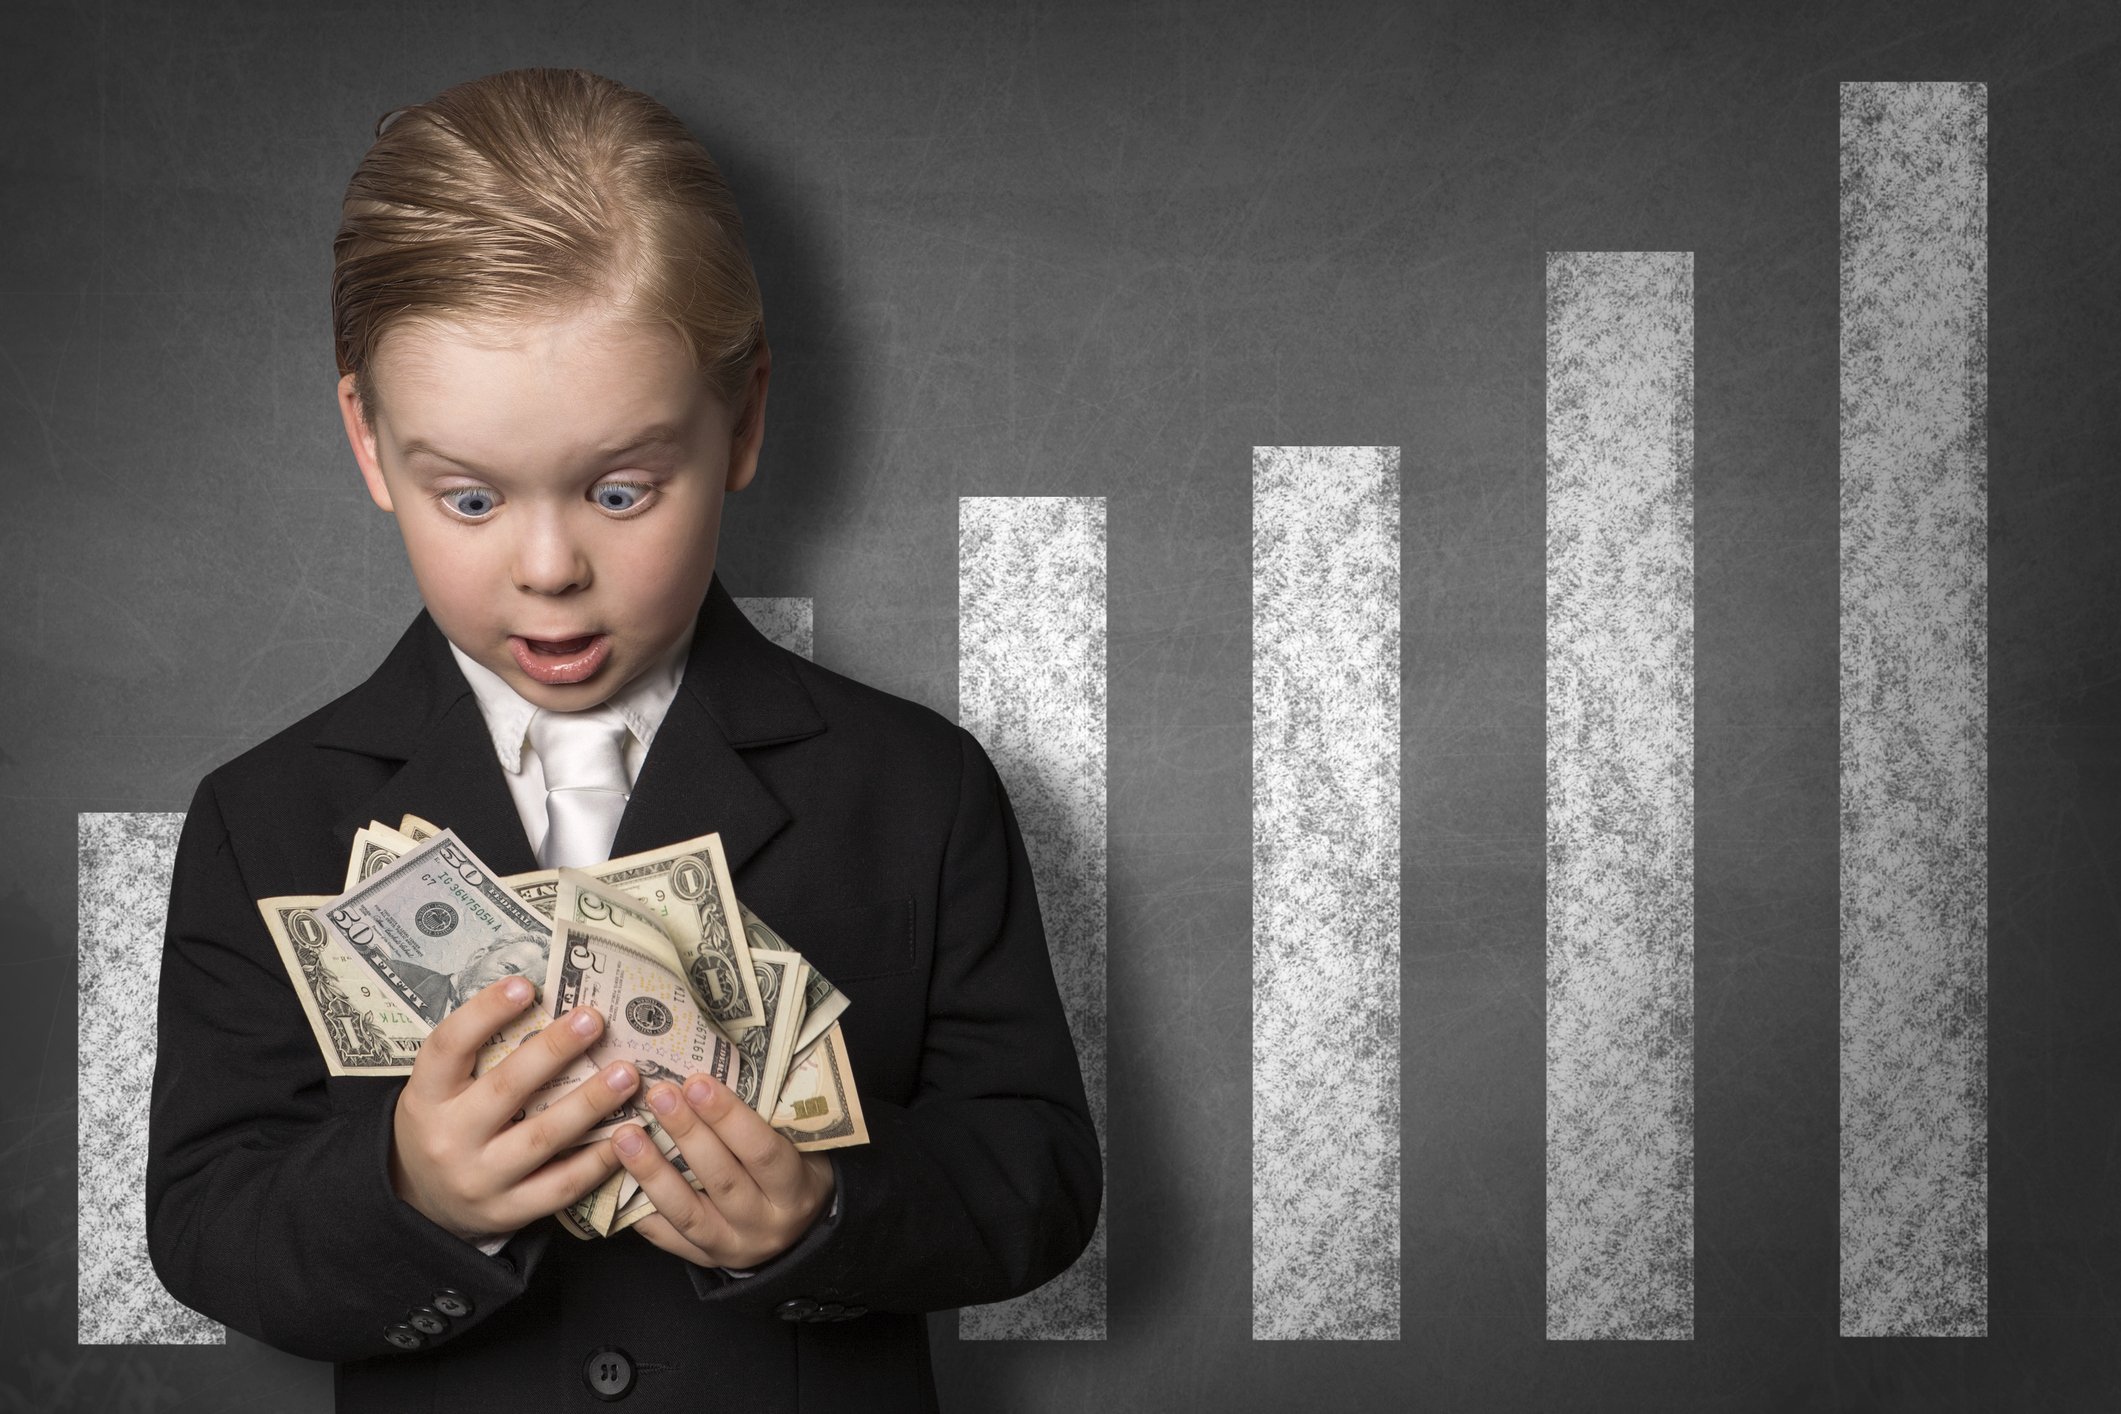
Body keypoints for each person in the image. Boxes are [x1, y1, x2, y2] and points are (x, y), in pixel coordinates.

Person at [144, 67, 1101, 1414]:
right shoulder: (265, 818)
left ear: (744, 420)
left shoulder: (916, 788)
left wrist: (823, 1215)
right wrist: (408, 1191)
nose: (549, 567)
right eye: (470, 497)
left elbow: (1036, 1172)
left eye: (619, 489)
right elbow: (204, 1220)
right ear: (369, 441)